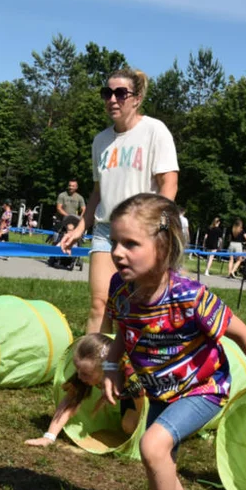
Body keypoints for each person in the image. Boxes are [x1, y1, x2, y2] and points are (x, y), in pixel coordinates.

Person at [101, 194, 246, 490]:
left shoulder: (190, 297)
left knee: (152, 446)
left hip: (204, 389)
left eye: (131, 244)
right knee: (158, 459)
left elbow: (245, 335)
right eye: (115, 242)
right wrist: (110, 366)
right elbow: (121, 331)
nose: (118, 252)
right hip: (161, 391)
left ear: (163, 247)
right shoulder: (121, 288)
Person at [59, 68, 179, 333]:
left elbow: (169, 183)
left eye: (120, 93)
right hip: (105, 229)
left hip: (144, 231)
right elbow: (98, 190)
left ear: (136, 98)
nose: (112, 99)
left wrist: (158, 227)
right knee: (99, 304)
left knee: (140, 305)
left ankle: (137, 364)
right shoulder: (100, 141)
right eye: (107, 93)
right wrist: (80, 227)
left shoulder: (154, 131)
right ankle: (93, 370)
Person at [25, 333, 144, 447]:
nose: (80, 377)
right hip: (126, 396)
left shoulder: (132, 379)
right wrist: (49, 437)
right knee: (127, 425)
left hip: (151, 396)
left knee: (130, 425)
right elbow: (69, 402)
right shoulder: (85, 372)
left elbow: (144, 411)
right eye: (78, 370)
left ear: (105, 369)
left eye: (86, 374)